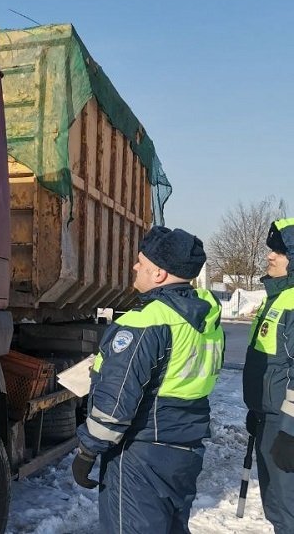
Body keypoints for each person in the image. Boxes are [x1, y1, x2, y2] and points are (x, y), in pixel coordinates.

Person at [72, 226, 224, 533]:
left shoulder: (145, 323)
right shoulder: (205, 321)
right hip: (185, 450)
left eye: (141, 262)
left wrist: (88, 451)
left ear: (159, 274)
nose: (135, 267)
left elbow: (115, 403)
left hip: (141, 455)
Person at [243, 218, 294, 533]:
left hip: (285, 426)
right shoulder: (277, 298)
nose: (269, 256)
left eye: (279, 251)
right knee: (277, 510)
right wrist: (256, 408)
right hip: (269, 419)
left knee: (289, 512)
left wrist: (289, 431)